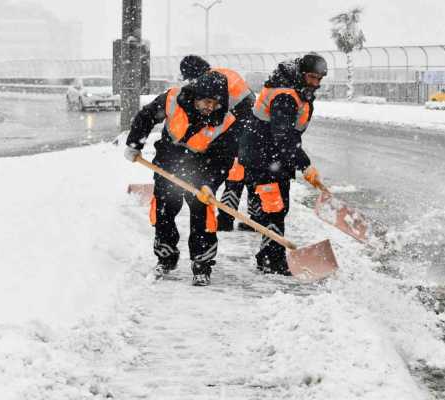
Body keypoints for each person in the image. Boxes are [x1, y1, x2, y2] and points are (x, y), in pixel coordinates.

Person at [124, 70, 236, 286]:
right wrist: (134, 144)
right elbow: (145, 117)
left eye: (216, 103)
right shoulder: (173, 99)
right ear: (196, 95)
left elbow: (224, 158)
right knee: (163, 212)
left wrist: (210, 184)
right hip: (169, 163)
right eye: (207, 101)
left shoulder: (226, 121)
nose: (210, 107)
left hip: (202, 170)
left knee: (203, 218)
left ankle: (202, 264)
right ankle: (166, 257)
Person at [239, 53, 328, 275]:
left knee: (275, 209)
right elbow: (283, 136)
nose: (315, 83)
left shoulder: (295, 90)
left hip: (271, 158)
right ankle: (271, 261)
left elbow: (286, 138)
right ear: (301, 74)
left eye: (319, 79)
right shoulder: (285, 96)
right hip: (263, 159)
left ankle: (268, 257)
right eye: (311, 77)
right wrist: (305, 165)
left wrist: (295, 161)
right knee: (274, 209)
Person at [180, 55, 256, 232]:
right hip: (250, 124)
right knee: (249, 171)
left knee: (235, 171)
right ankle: (254, 217)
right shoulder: (223, 73)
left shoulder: (213, 82)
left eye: (190, 78)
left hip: (240, 125)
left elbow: (217, 115)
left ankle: (226, 219)